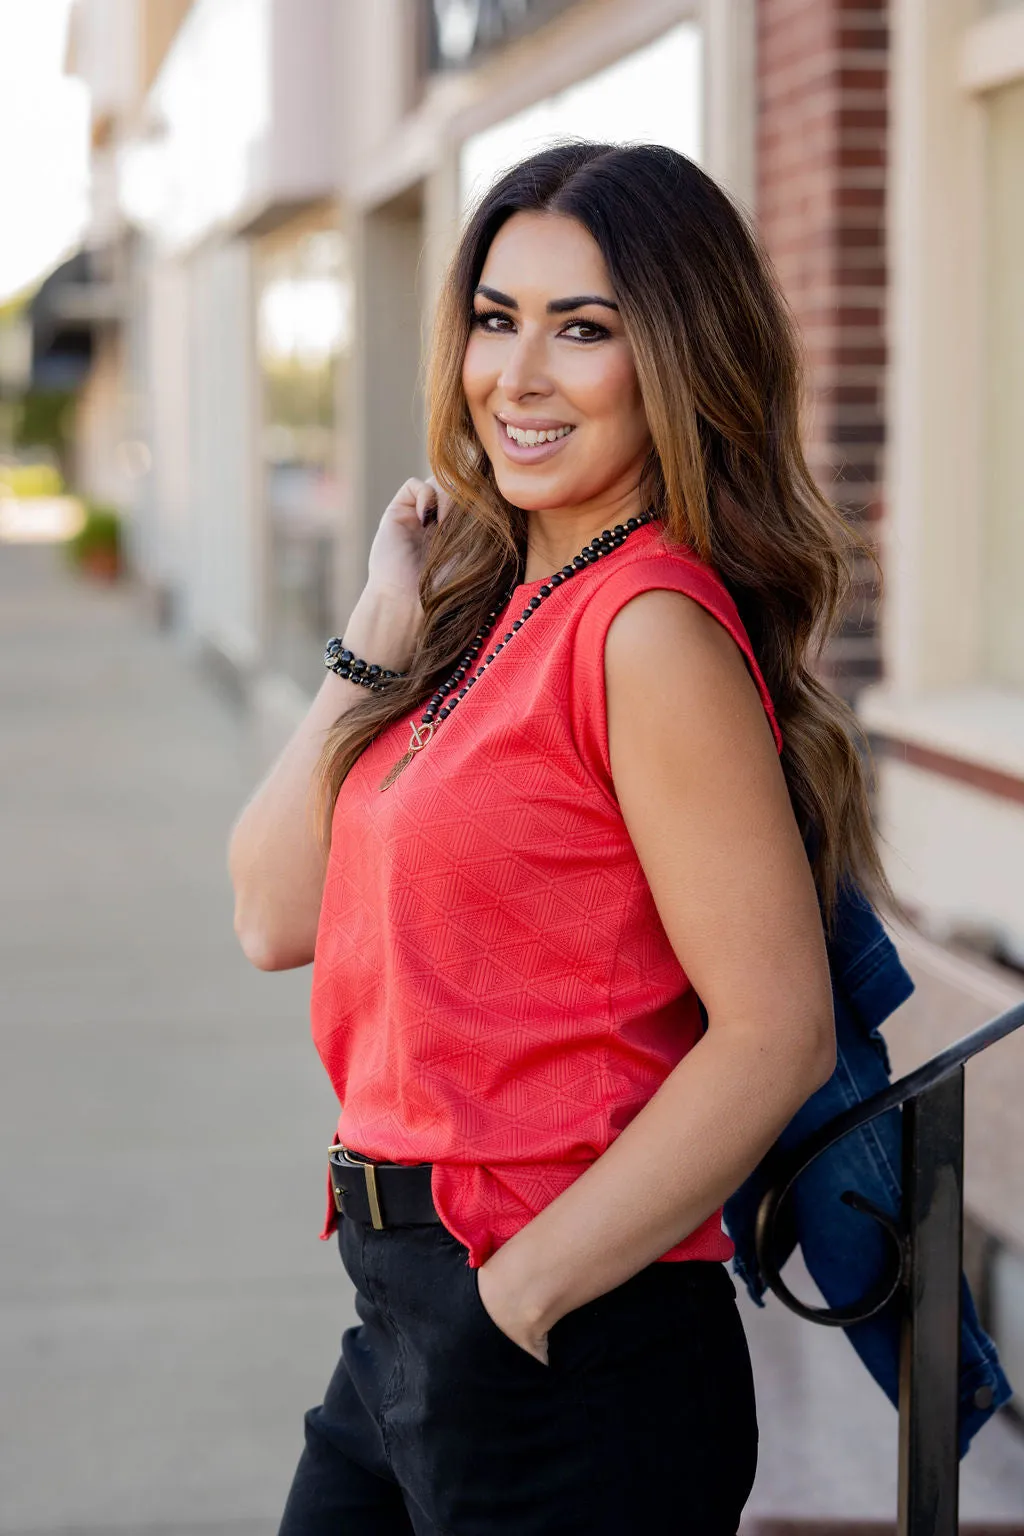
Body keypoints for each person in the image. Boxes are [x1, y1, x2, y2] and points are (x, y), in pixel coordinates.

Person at [228, 141, 896, 1535]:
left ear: (674, 360)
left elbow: (774, 1031)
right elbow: (270, 914)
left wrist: (522, 1294)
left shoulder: (645, 628)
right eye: (496, 317)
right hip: (408, 1317)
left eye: (582, 331)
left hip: (565, 1341)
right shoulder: (484, 620)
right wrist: (378, 626)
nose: (517, 376)